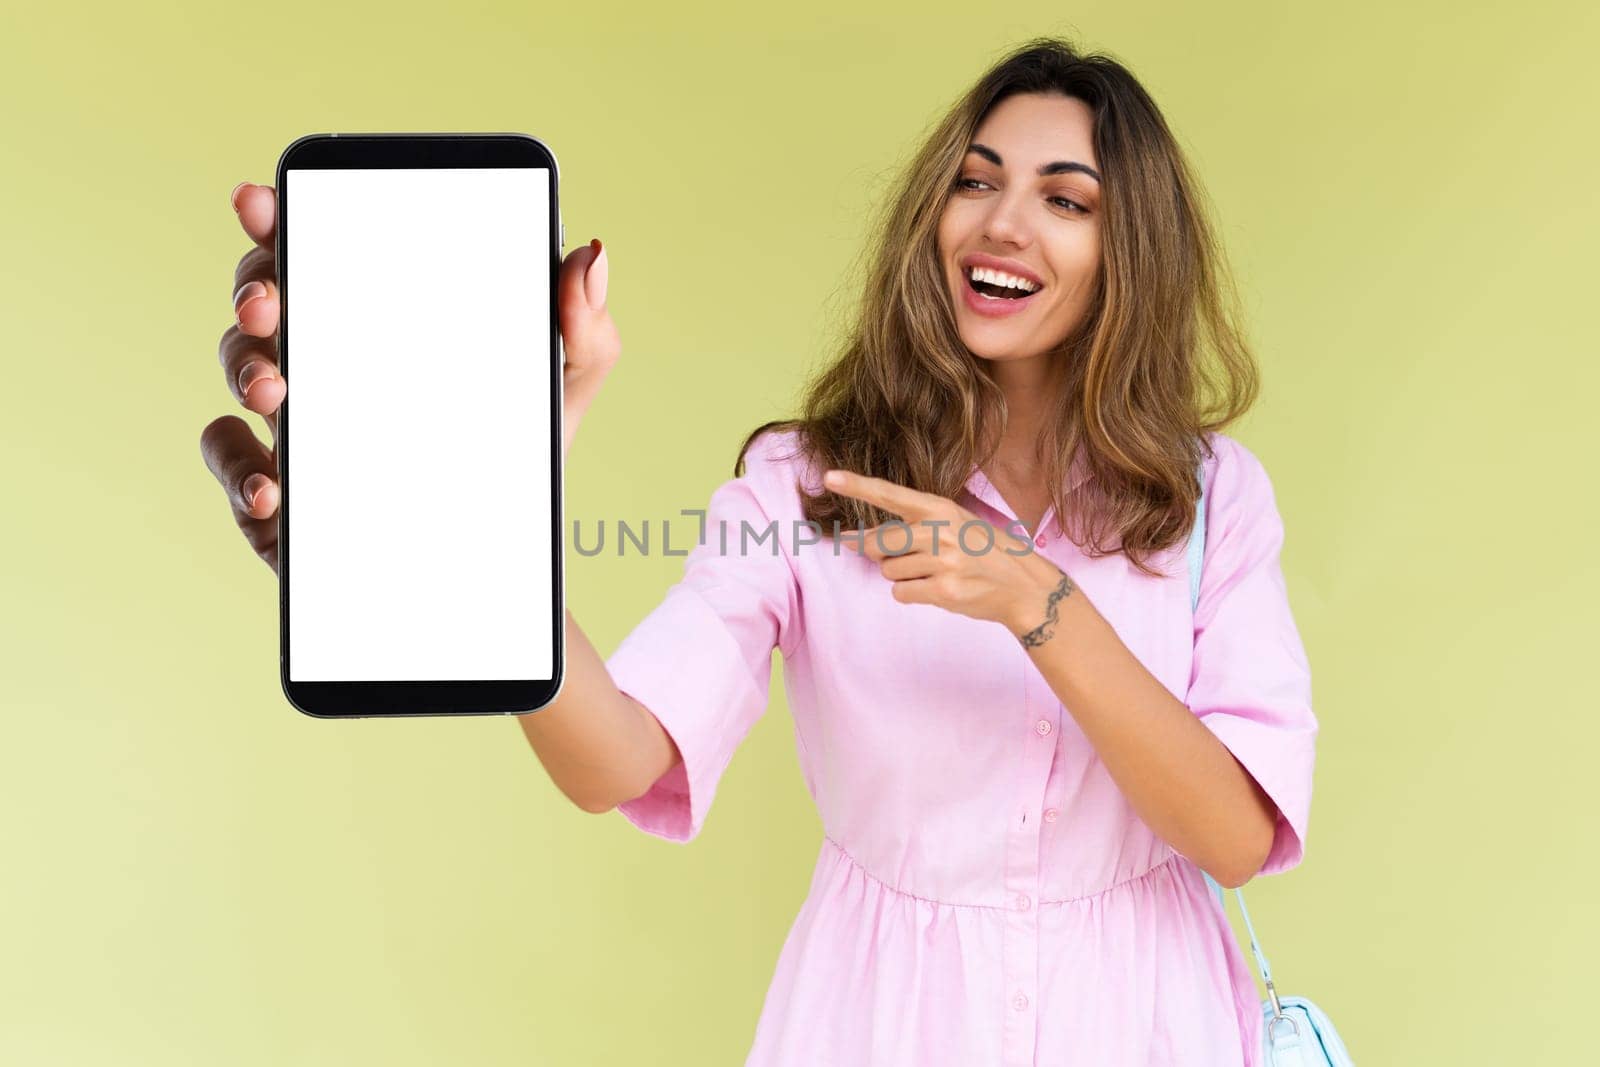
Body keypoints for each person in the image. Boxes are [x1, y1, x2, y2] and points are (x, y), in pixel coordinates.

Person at [201, 35, 1318, 1067]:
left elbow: (1231, 835)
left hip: (1147, 1019)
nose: (1001, 224)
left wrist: (1038, 600)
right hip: (876, 1019)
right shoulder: (803, 483)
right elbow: (619, 759)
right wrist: (484, 546)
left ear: (1132, 250)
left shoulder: (1212, 496)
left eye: (1062, 199)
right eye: (974, 181)